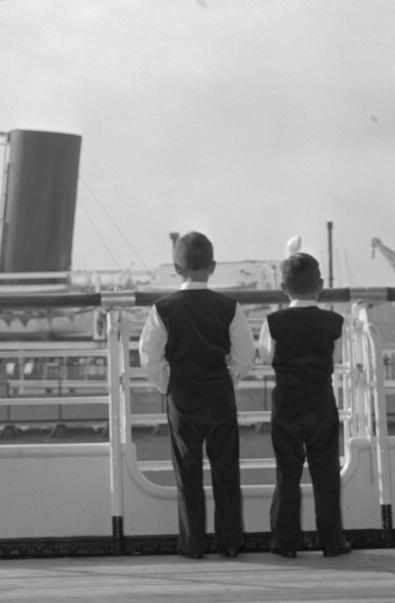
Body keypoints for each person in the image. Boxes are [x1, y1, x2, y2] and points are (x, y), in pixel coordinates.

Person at [139, 231, 255, 559]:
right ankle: (230, 541)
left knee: (187, 470)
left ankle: (192, 544)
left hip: (183, 394)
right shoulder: (229, 307)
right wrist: (228, 379)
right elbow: (244, 355)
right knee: (226, 468)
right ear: (213, 266)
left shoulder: (163, 309)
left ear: (177, 268)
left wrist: (168, 384)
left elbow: (149, 357)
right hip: (219, 391)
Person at [258, 252, 352, 558]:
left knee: (287, 474)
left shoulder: (273, 322)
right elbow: (335, 360)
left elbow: (267, 357)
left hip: (287, 401)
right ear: (320, 285)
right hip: (321, 399)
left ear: (284, 286)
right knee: (326, 473)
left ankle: (284, 543)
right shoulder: (335, 322)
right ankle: (332, 541)